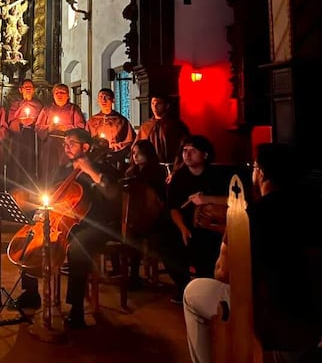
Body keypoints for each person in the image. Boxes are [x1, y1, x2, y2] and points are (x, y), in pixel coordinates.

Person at [183, 143, 322, 363]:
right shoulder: (315, 207)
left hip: (265, 319)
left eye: (255, 167)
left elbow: (222, 272)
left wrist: (227, 232)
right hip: (312, 319)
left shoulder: (250, 216)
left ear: (262, 173)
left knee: (193, 292)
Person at [14, 128, 121, 328]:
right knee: (32, 239)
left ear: (86, 147)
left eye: (71, 143)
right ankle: (30, 294)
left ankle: (76, 309)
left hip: (96, 224)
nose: (66, 147)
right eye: (65, 143)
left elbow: (113, 196)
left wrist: (90, 170)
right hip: (65, 221)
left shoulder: (104, 169)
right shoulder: (64, 170)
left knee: (78, 249)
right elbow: (51, 194)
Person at [164, 135, 227, 302]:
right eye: (185, 151)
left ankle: (210, 290)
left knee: (212, 247)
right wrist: (182, 227)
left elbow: (234, 199)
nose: (187, 154)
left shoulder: (217, 174)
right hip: (185, 224)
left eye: (193, 151)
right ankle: (184, 288)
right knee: (167, 243)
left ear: (205, 155)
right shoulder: (179, 177)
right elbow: (173, 207)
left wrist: (207, 199)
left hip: (212, 225)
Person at [123, 140, 167, 289]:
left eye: (139, 153)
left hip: (154, 216)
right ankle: (133, 275)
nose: (135, 156)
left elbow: (160, 198)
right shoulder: (130, 172)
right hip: (135, 215)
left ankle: (147, 275)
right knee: (130, 235)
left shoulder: (157, 172)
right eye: (133, 153)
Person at [35, 83, 86, 183]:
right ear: (53, 95)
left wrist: (66, 128)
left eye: (62, 92)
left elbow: (81, 126)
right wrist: (49, 128)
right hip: (50, 147)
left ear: (68, 95)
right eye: (57, 92)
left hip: (68, 146)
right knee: (49, 172)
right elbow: (38, 127)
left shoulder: (73, 109)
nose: (59, 95)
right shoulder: (47, 109)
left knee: (66, 172)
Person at [6, 79, 44, 194]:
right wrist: (21, 122)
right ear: (20, 90)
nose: (28, 89)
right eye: (25, 87)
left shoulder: (38, 105)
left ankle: (32, 190)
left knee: (33, 163)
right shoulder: (15, 105)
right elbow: (11, 121)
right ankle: (17, 190)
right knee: (18, 164)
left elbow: (42, 121)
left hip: (34, 138)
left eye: (30, 87)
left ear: (33, 90)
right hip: (19, 138)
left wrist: (33, 123)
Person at [86, 88, 136, 168]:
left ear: (113, 100)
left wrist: (116, 147)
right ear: (98, 101)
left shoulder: (121, 120)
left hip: (116, 159)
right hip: (96, 159)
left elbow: (130, 141)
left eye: (107, 97)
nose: (103, 100)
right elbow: (86, 140)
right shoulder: (92, 121)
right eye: (101, 97)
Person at [135, 94, 190, 166]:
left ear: (167, 106)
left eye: (159, 103)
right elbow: (138, 148)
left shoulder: (176, 126)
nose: (155, 106)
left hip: (172, 165)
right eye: (152, 103)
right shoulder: (146, 126)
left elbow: (183, 147)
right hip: (151, 167)